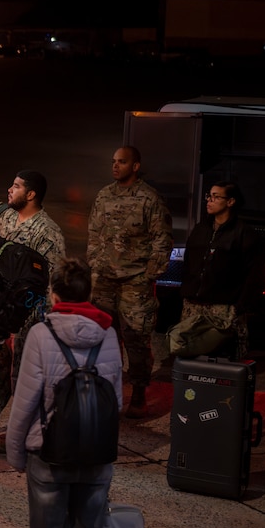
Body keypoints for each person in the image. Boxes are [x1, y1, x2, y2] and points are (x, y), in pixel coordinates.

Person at [5, 258, 124, 528]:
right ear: (88, 295)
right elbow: (116, 401)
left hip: (49, 458)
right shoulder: (109, 334)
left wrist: (16, 455)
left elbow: (25, 402)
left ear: (54, 295)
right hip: (96, 458)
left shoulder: (42, 335)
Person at [0, 169, 67, 452]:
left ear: (31, 194)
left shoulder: (48, 232)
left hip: (28, 319)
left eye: (15, 186)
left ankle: (28, 436)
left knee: (24, 380)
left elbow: (53, 282)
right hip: (0, 314)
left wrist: (42, 326)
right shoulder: (7, 218)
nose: (9, 190)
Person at [87, 146, 172, 419]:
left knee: (136, 337)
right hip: (104, 281)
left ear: (135, 166)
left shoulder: (149, 199)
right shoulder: (104, 195)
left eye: (121, 162)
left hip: (135, 281)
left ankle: (138, 395)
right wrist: (94, 263)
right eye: (113, 162)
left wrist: (150, 275)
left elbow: (162, 239)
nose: (115, 166)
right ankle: (104, 391)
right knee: (102, 337)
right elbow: (93, 232)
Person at [178, 181, 265, 360]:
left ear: (230, 202)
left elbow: (255, 275)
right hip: (193, 307)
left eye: (216, 197)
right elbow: (189, 263)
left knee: (223, 360)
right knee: (189, 358)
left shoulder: (244, 234)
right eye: (209, 196)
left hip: (224, 309)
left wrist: (239, 307)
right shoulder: (201, 229)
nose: (210, 201)